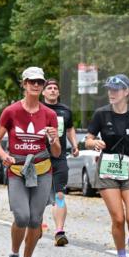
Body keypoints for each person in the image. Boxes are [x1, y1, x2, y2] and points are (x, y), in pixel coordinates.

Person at [0, 66, 61, 257]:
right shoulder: (11, 111)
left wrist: (54, 139)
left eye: (39, 82)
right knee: (22, 216)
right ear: (24, 84)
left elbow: (56, 153)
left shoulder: (49, 114)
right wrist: (4, 156)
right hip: (18, 169)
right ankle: (14, 255)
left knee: (35, 220)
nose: (36, 85)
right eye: (32, 82)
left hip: (42, 169)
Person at [85, 74, 129, 257]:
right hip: (108, 167)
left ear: (126, 92)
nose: (111, 93)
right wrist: (94, 142)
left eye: (116, 89)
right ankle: (121, 256)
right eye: (109, 89)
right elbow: (88, 139)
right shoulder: (101, 114)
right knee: (118, 219)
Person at [42, 79, 79, 245]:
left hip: (59, 157)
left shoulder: (65, 110)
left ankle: (59, 231)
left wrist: (75, 145)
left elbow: (70, 128)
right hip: (39, 157)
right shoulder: (37, 109)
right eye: (49, 88)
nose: (52, 90)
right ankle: (36, 224)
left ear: (58, 92)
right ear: (43, 92)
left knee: (59, 194)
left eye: (55, 88)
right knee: (39, 196)